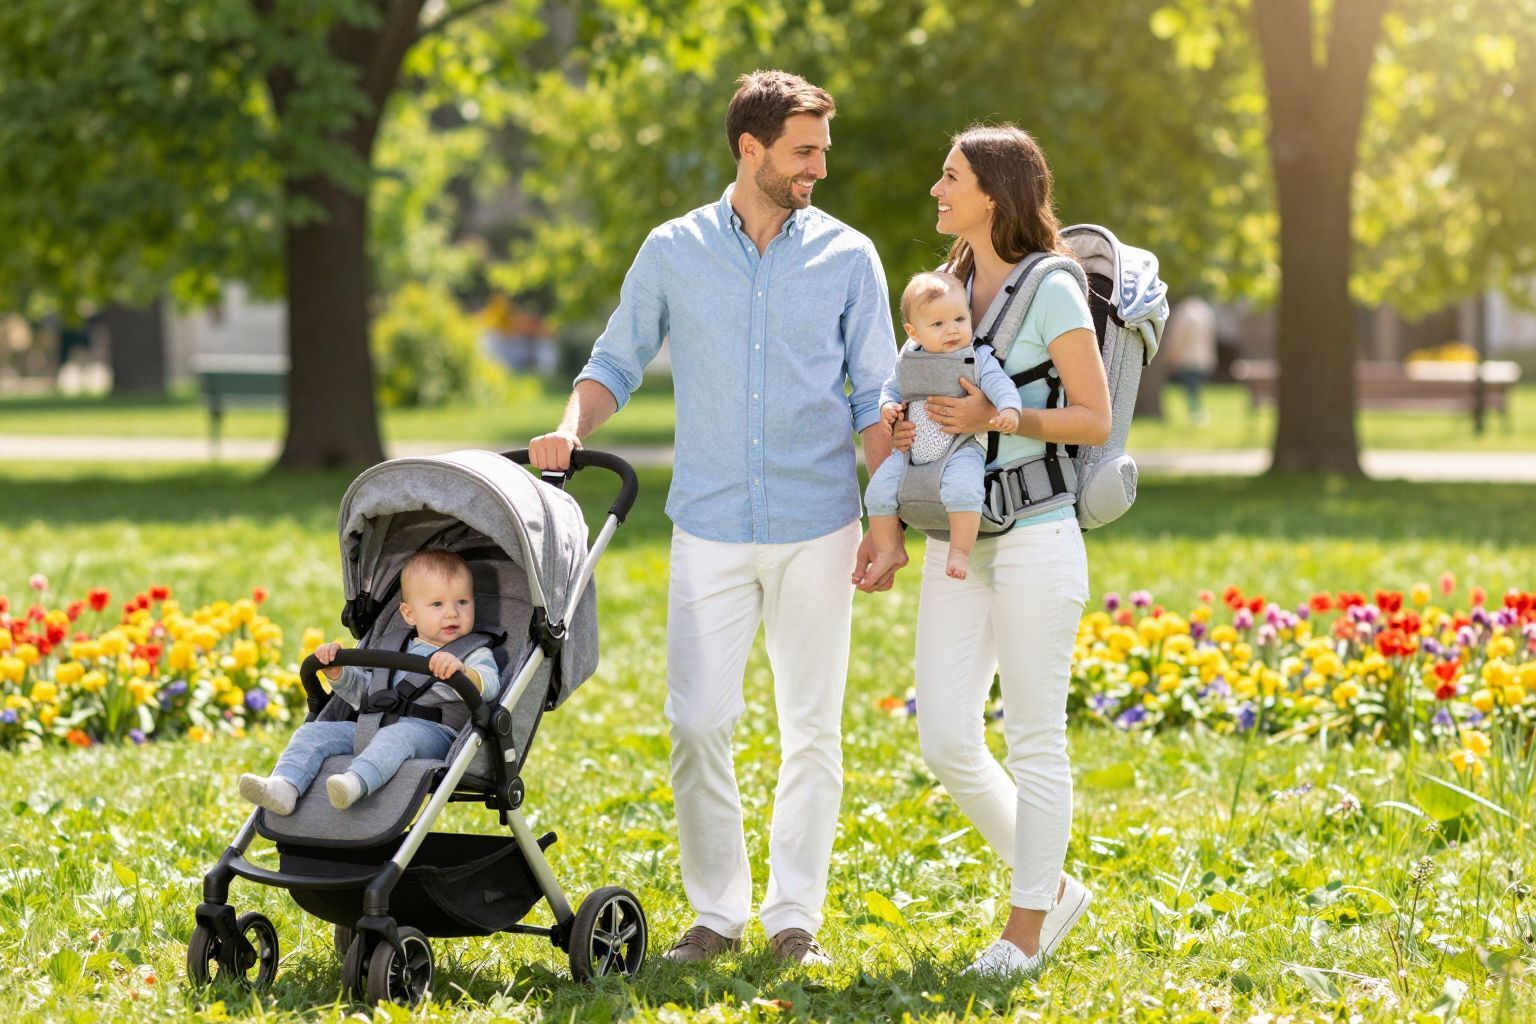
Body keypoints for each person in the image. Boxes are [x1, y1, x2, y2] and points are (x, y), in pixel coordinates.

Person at [527, 70, 898, 967]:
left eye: (822, 151)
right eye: (803, 151)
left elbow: (876, 398)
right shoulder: (673, 248)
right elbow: (616, 360)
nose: (818, 168)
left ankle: (794, 918)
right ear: (750, 147)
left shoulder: (849, 256)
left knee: (812, 728)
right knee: (697, 721)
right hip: (709, 524)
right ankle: (717, 913)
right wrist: (571, 428)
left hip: (820, 521)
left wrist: (885, 519)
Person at [854, 124, 1109, 977]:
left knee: (1034, 739)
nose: (936, 188)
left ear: (993, 194)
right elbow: (921, 397)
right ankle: (1055, 885)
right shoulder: (949, 288)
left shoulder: (1052, 287)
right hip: (957, 540)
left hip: (1035, 537)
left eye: (950, 176)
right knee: (946, 739)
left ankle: (1025, 930)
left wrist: (996, 415)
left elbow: (1093, 418)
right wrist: (907, 425)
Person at [238, 548, 499, 814]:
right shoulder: (392, 646)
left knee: (398, 735)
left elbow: (490, 685)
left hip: (434, 735)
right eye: (437, 604)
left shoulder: (472, 652)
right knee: (314, 732)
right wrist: (339, 674)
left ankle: (354, 783)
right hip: (372, 725)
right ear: (409, 614)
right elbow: (368, 694)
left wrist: (464, 673)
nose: (452, 613)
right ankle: (284, 786)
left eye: (462, 602)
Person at [861, 270, 1021, 581]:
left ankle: (959, 551)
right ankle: (888, 547)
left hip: (961, 446)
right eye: (937, 324)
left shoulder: (975, 357)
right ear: (914, 333)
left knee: (963, 490)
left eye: (960, 319)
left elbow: (1000, 384)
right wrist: (887, 407)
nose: (952, 330)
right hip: (909, 450)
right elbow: (891, 388)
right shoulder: (909, 358)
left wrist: (1009, 409)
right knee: (877, 493)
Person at [1161, 295, 1217, 426]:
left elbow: (1177, 338)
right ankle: (1197, 414)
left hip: (1187, 359)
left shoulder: (1184, 313)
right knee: (1195, 389)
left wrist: (1172, 355)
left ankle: (1197, 415)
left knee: (1191, 390)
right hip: (1202, 359)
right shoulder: (1205, 312)